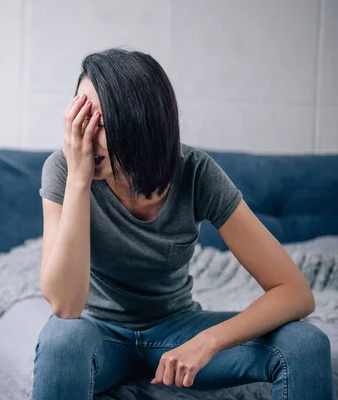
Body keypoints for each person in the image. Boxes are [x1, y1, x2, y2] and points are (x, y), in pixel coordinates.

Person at [32, 48, 333, 400]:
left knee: (305, 343)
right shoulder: (64, 170)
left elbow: (294, 292)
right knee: (60, 338)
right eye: (82, 116)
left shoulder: (195, 172)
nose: (86, 135)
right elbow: (66, 307)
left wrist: (207, 342)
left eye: (102, 121)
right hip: (99, 332)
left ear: (141, 123)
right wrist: (79, 181)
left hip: (176, 328)